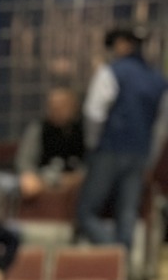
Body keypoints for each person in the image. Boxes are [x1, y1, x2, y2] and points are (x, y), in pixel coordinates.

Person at [78, 27, 168, 254]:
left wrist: (92, 145)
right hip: (139, 154)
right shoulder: (158, 80)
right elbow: (160, 127)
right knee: (126, 214)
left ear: (123, 45)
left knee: (86, 212)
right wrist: (150, 158)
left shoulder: (111, 72)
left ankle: (114, 257)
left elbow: (94, 113)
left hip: (108, 149)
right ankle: (123, 268)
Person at [17, 87, 88, 187]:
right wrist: (33, 177)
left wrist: (77, 177)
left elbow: (93, 163)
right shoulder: (38, 129)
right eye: (52, 106)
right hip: (44, 183)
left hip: (81, 185)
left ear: (74, 107)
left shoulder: (85, 130)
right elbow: (24, 162)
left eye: (62, 106)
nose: (57, 110)